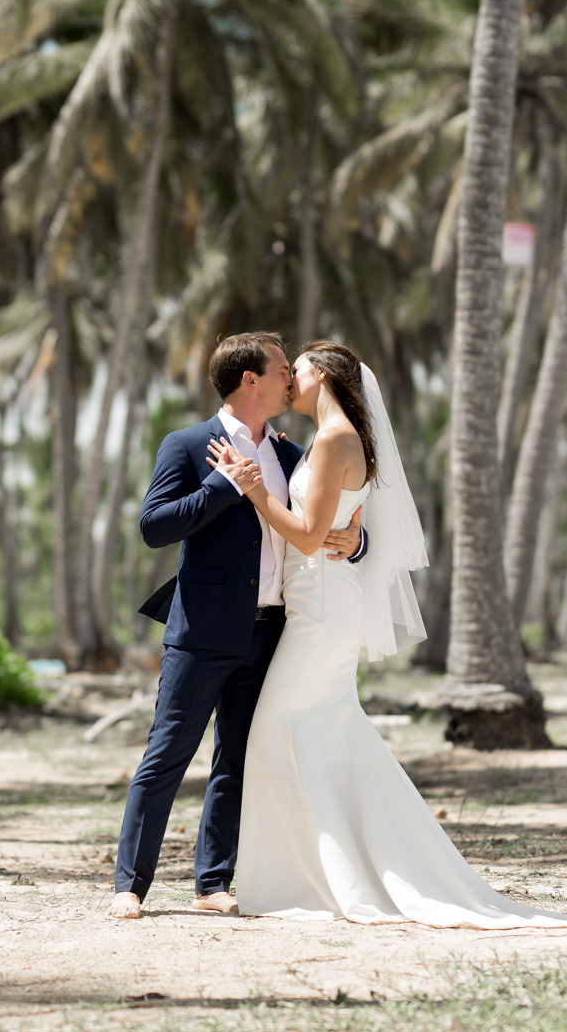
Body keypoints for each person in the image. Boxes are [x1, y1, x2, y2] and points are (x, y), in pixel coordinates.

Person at [209, 340, 567, 930]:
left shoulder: (334, 441)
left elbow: (308, 536)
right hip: (316, 604)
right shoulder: (327, 440)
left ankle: (313, 879)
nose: (289, 381)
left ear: (325, 377)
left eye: (297, 371)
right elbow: (338, 528)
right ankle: (328, 872)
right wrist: (351, 538)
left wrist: (251, 486)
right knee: (323, 731)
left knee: (274, 735)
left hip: (322, 611)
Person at [107, 331, 366, 919]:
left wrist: (356, 542)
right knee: (166, 755)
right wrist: (223, 487)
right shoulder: (186, 444)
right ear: (251, 379)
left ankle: (212, 883)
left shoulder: (294, 456)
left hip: (272, 633)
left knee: (238, 760)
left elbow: (328, 520)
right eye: (281, 370)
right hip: (201, 632)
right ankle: (130, 885)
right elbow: (154, 526)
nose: (290, 379)